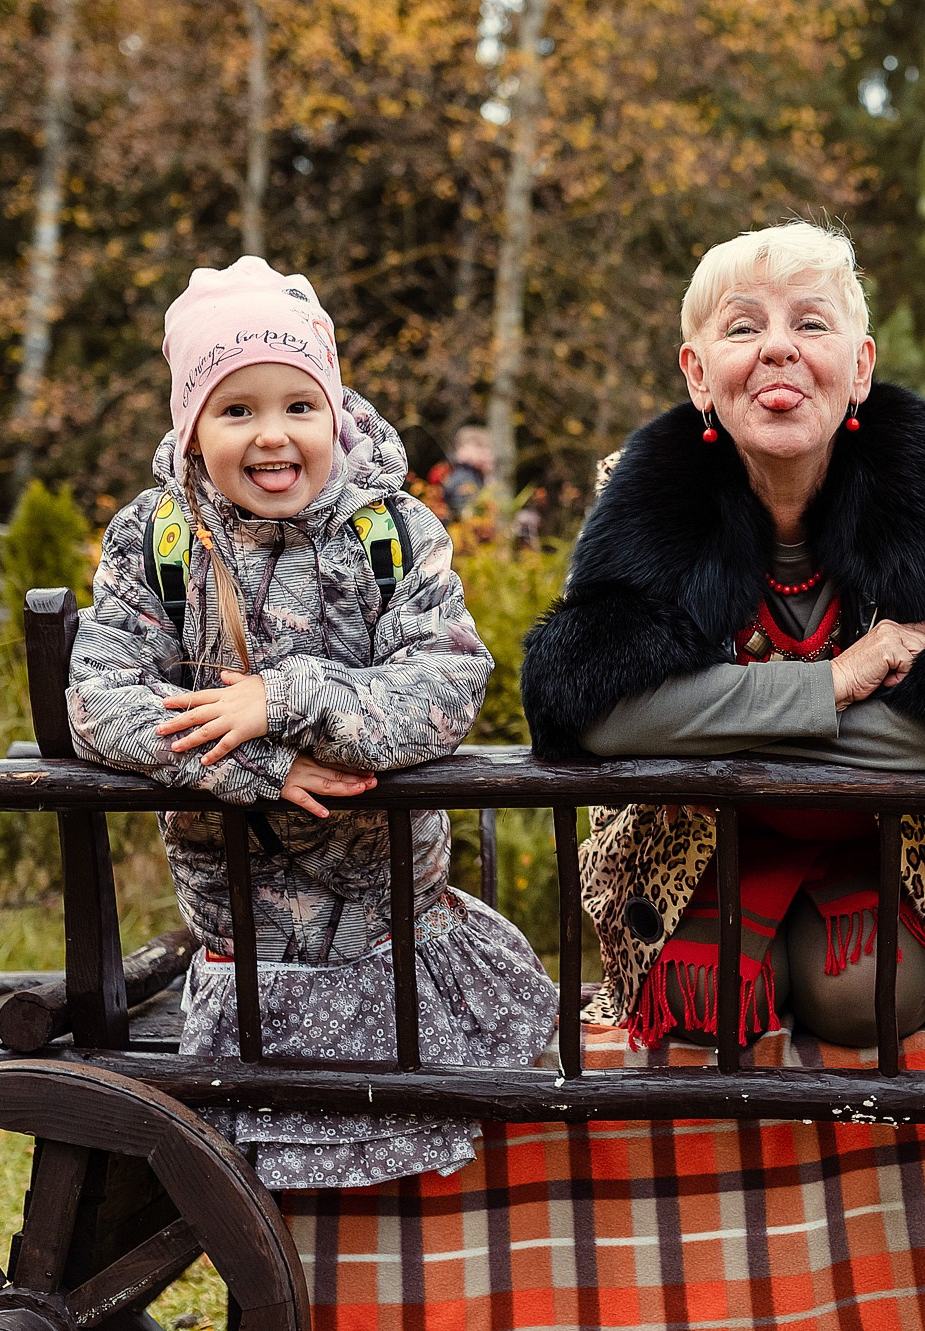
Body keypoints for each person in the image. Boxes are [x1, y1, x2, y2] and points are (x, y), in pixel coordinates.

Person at [66, 256, 557, 1188]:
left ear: (334, 409)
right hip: (241, 941)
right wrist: (259, 766)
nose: (273, 436)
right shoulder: (155, 541)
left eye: (298, 405)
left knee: (419, 1168)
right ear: (191, 423)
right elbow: (101, 700)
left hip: (393, 934)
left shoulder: (395, 532)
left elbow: (446, 686)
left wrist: (284, 698)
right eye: (236, 409)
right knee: (263, 1194)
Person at [520, 221, 925, 1050]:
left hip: (890, 850)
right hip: (691, 849)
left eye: (810, 323)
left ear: (862, 366)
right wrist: (832, 683)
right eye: (743, 327)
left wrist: (711, 721)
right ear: (698, 375)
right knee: (707, 1003)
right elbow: (594, 713)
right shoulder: (649, 499)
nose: (779, 349)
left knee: (861, 996)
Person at [428, 423, 492, 519]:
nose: (486, 452)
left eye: (487, 448)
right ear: (462, 449)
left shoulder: (468, 473)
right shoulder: (463, 476)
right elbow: (466, 514)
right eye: (479, 446)